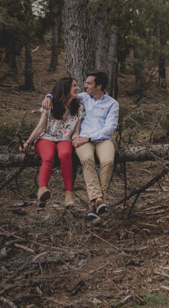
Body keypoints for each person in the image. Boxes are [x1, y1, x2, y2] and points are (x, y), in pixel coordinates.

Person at [43, 70, 119, 220]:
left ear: (99, 86)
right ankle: (98, 200)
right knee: (87, 159)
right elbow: (63, 94)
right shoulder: (83, 98)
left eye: (89, 84)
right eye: (85, 83)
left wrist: (89, 137)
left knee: (108, 161)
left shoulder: (112, 104)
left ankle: (95, 203)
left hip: (102, 139)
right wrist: (48, 96)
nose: (85, 86)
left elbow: (110, 128)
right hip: (82, 139)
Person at [22, 77, 84, 208]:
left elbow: (75, 131)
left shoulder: (78, 107)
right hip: (46, 137)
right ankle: (42, 190)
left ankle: (69, 194)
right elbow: (40, 127)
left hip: (64, 138)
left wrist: (76, 139)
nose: (78, 88)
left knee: (65, 154)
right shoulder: (50, 104)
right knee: (49, 156)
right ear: (66, 88)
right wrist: (27, 142)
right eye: (74, 86)